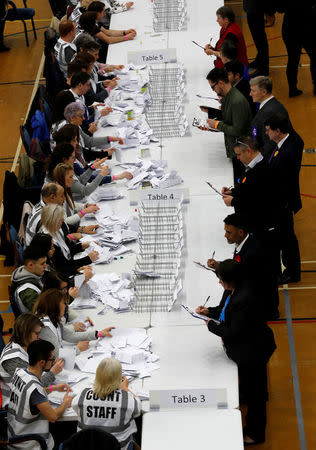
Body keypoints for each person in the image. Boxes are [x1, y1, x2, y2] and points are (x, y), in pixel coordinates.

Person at [196, 260, 276, 445]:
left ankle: (255, 433)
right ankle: (246, 396)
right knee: (250, 387)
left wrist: (210, 326)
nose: (219, 283)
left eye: (220, 279)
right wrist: (209, 311)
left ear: (228, 280)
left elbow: (233, 331)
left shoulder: (244, 299)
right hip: (247, 347)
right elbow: (224, 311)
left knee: (257, 394)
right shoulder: (232, 290)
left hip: (254, 351)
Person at [207, 213, 279, 319]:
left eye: (228, 232)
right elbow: (238, 268)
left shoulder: (253, 253)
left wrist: (220, 270)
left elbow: (237, 279)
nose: (225, 235)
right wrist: (219, 265)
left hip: (261, 305)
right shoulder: (245, 243)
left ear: (240, 232)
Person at [7, 339, 73, 450]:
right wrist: (66, 403)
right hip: (29, 443)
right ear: (41, 362)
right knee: (69, 431)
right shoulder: (35, 389)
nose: (53, 362)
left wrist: (53, 388)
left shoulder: (20, 372)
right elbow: (53, 417)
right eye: (51, 359)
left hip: (14, 433)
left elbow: (30, 395)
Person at [265, 114, 304, 284]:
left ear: (278, 131)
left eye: (268, 130)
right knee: (286, 238)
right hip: (283, 202)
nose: (266, 133)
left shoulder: (286, 154)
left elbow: (282, 184)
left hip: (283, 204)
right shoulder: (288, 142)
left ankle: (292, 273)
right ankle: (291, 269)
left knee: (287, 239)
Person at [72, 358, 141, 450]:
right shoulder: (126, 399)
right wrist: (125, 388)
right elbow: (138, 411)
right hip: (119, 447)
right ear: (119, 378)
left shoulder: (83, 395)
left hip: (87, 446)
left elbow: (75, 408)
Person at [0, 313, 63, 406]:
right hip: (15, 407)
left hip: (29, 399)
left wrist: (49, 364)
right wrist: (52, 373)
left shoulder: (27, 347)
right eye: (37, 333)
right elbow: (33, 386)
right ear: (25, 333)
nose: (39, 337)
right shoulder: (12, 358)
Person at [200, 68, 252, 180]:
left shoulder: (236, 101)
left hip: (241, 153)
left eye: (213, 87)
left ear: (221, 83)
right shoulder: (228, 98)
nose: (213, 90)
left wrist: (217, 125)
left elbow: (237, 130)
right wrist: (211, 127)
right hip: (235, 150)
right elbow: (228, 121)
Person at [34, 289, 115, 357]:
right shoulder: (46, 328)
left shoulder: (53, 320)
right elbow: (57, 355)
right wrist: (77, 349)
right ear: (55, 306)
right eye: (64, 303)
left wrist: (99, 334)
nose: (66, 306)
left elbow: (70, 335)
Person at [51, 101, 123, 162]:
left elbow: (88, 141)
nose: (84, 118)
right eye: (81, 116)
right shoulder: (68, 132)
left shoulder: (75, 125)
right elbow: (83, 154)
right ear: (72, 118)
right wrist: (104, 153)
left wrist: (111, 139)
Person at [40, 203, 98, 277]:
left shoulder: (57, 229)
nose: (63, 220)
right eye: (60, 220)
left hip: (70, 266)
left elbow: (67, 250)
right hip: (62, 275)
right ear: (54, 222)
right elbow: (63, 267)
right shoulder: (49, 243)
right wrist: (88, 259)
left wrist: (82, 246)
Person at [250, 76, 293, 156]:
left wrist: (256, 159)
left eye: (253, 91)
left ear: (264, 92)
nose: (250, 94)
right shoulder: (271, 105)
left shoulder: (269, 112)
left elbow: (270, 143)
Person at [281, 2, 316, 96]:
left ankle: (292, 89)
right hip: (307, 26)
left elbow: (279, 9)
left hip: (290, 26)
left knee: (293, 59)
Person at [11, 246, 47, 313]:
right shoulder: (27, 291)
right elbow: (42, 312)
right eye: (42, 264)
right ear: (30, 265)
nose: (45, 266)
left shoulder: (31, 273)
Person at [243, 0, 269, 77]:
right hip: (251, 8)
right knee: (258, 39)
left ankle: (264, 68)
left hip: (256, 9)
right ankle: (259, 60)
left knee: (260, 40)